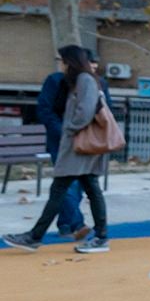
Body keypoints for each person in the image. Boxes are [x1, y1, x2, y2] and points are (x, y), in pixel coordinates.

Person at [5, 45, 111, 254]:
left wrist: (68, 129)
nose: (61, 64)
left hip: (79, 146)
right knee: (86, 189)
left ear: (70, 61)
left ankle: (36, 236)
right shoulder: (82, 80)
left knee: (64, 190)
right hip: (79, 146)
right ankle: (98, 235)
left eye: (63, 60)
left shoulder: (85, 80)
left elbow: (85, 112)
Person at [35, 55, 87, 240]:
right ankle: (77, 224)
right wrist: (64, 133)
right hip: (60, 141)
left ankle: (65, 224)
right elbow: (45, 109)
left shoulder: (91, 82)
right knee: (67, 182)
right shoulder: (55, 81)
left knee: (78, 183)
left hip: (84, 140)